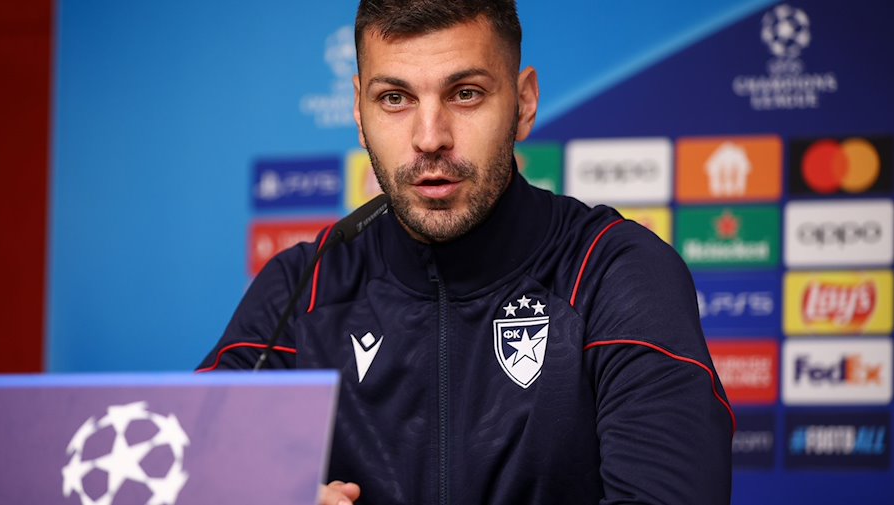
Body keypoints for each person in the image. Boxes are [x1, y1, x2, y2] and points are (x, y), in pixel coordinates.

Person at [198, 1, 735, 503]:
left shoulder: (612, 273)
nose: (430, 137)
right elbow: (182, 473)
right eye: (395, 99)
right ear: (359, 113)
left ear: (523, 104)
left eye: (465, 93)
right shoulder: (304, 287)